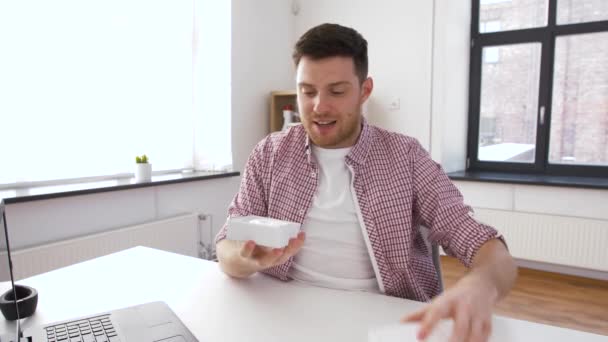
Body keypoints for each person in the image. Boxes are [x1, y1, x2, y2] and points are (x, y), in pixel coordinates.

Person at [215, 23, 517, 342]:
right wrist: (244, 261)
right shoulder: (270, 154)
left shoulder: (406, 157)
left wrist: (481, 283)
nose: (319, 106)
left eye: (337, 91)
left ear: (365, 90)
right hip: (284, 315)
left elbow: (484, 246)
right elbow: (227, 244)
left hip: (382, 324)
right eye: (308, 91)